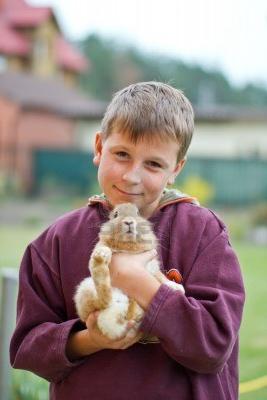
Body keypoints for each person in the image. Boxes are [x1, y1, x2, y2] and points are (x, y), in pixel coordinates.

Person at [10, 81, 245, 400]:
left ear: (175, 168)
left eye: (153, 164)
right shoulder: (55, 242)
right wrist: (92, 338)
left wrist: (138, 281)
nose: (132, 175)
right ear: (98, 148)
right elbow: (27, 347)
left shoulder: (204, 233)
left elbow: (214, 346)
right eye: (121, 154)